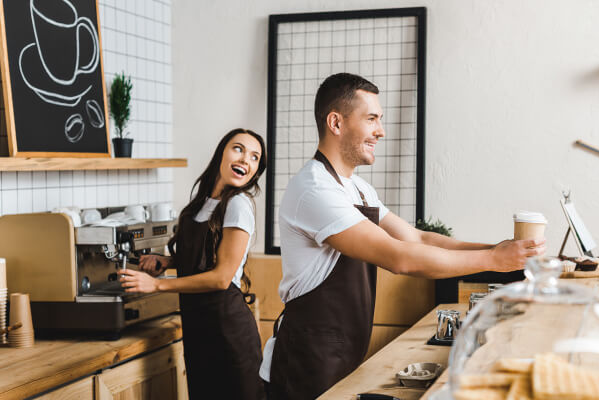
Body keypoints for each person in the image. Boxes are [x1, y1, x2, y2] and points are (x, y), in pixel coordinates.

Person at [260, 73, 546, 399]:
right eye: (371, 119)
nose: (380, 131)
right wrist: (495, 261)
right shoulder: (314, 189)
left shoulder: (358, 189)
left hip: (341, 352)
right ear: (335, 123)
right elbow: (400, 258)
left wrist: (500, 249)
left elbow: (418, 239)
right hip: (304, 363)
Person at [120, 128, 267, 400]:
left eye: (255, 157)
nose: (246, 160)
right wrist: (167, 261)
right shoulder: (202, 203)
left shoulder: (238, 205)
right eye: (239, 149)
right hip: (199, 330)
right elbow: (207, 255)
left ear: (256, 172)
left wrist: (157, 284)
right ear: (221, 153)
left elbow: (221, 277)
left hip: (228, 331)